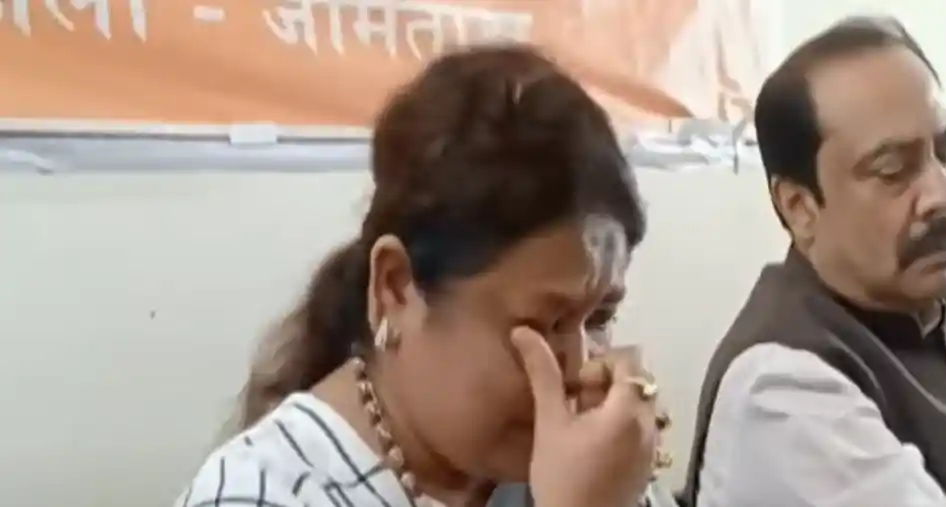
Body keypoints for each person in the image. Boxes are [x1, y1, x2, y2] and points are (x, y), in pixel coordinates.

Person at [175, 44, 673, 507]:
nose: (580, 372)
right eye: (543, 326)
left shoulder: (585, 459)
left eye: (599, 318)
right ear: (395, 288)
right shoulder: (259, 494)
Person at [682, 17, 946, 507]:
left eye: (945, 153)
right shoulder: (780, 387)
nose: (942, 195)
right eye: (893, 170)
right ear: (800, 207)